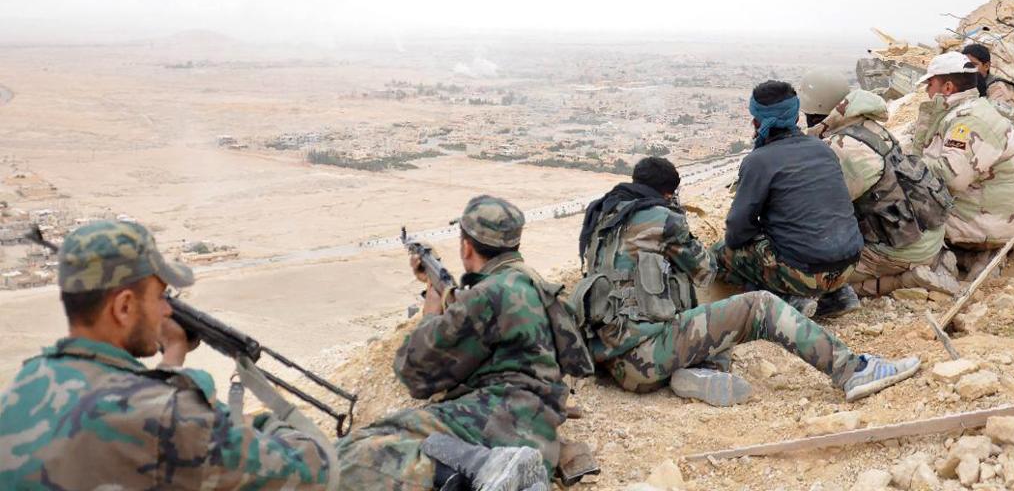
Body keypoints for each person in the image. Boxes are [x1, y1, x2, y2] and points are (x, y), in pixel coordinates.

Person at [0, 220, 335, 489]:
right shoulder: (168, 418)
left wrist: (174, 353)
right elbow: (317, 470)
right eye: (160, 297)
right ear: (124, 307)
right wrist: (269, 424)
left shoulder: (23, 388)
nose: (165, 311)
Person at [575, 156, 921, 407]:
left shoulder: (600, 219)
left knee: (706, 316)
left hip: (612, 363)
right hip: (647, 357)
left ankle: (701, 372)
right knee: (760, 306)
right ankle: (852, 370)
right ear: (668, 194)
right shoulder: (662, 218)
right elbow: (704, 270)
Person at [335, 195, 592, 491]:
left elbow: (414, 373)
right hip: (539, 432)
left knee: (357, 452)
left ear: (466, 246)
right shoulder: (527, 281)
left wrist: (431, 310)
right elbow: (489, 324)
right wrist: (448, 297)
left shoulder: (486, 296)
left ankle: (484, 476)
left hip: (502, 432)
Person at [797, 69, 960, 300]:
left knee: (805, 277)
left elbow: (822, 214)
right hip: (925, 234)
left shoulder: (841, 147)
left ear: (814, 112)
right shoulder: (868, 128)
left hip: (900, 248)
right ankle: (930, 262)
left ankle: (905, 279)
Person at [712, 81, 864, 317]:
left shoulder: (759, 161)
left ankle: (788, 300)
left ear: (756, 121)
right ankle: (838, 296)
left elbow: (736, 230)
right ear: (795, 118)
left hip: (804, 271)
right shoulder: (823, 149)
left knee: (722, 253)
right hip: (849, 264)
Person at [911, 51, 1014, 278]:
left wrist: (907, 167)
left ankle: (949, 258)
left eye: (930, 84)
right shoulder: (965, 111)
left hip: (994, 221)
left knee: (897, 212)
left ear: (948, 87)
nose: (927, 91)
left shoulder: (969, 120)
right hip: (994, 211)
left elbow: (952, 176)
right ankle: (968, 257)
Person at [962, 43, 1014, 137]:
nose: (968, 69)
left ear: (986, 66)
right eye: (965, 65)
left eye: (973, 65)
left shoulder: (998, 88)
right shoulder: (971, 84)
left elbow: (1005, 126)